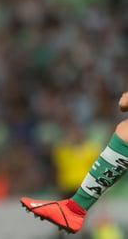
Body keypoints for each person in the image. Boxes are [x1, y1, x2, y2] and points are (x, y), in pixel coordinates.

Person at [20, 91, 128, 234]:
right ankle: (74, 209)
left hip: (83, 186)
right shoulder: (63, 149)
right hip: (67, 187)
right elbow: (56, 167)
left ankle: (75, 209)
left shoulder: (90, 148)